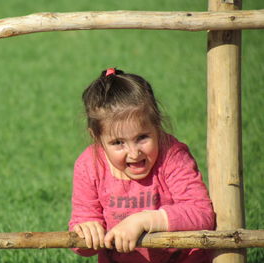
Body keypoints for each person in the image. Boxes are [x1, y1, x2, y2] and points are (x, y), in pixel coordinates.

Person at [68, 68, 215, 263]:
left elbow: (201, 214)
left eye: (142, 137)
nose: (134, 153)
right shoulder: (90, 165)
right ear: (97, 138)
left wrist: (144, 221)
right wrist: (87, 232)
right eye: (118, 143)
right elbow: (81, 241)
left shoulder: (171, 155)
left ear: (157, 126)